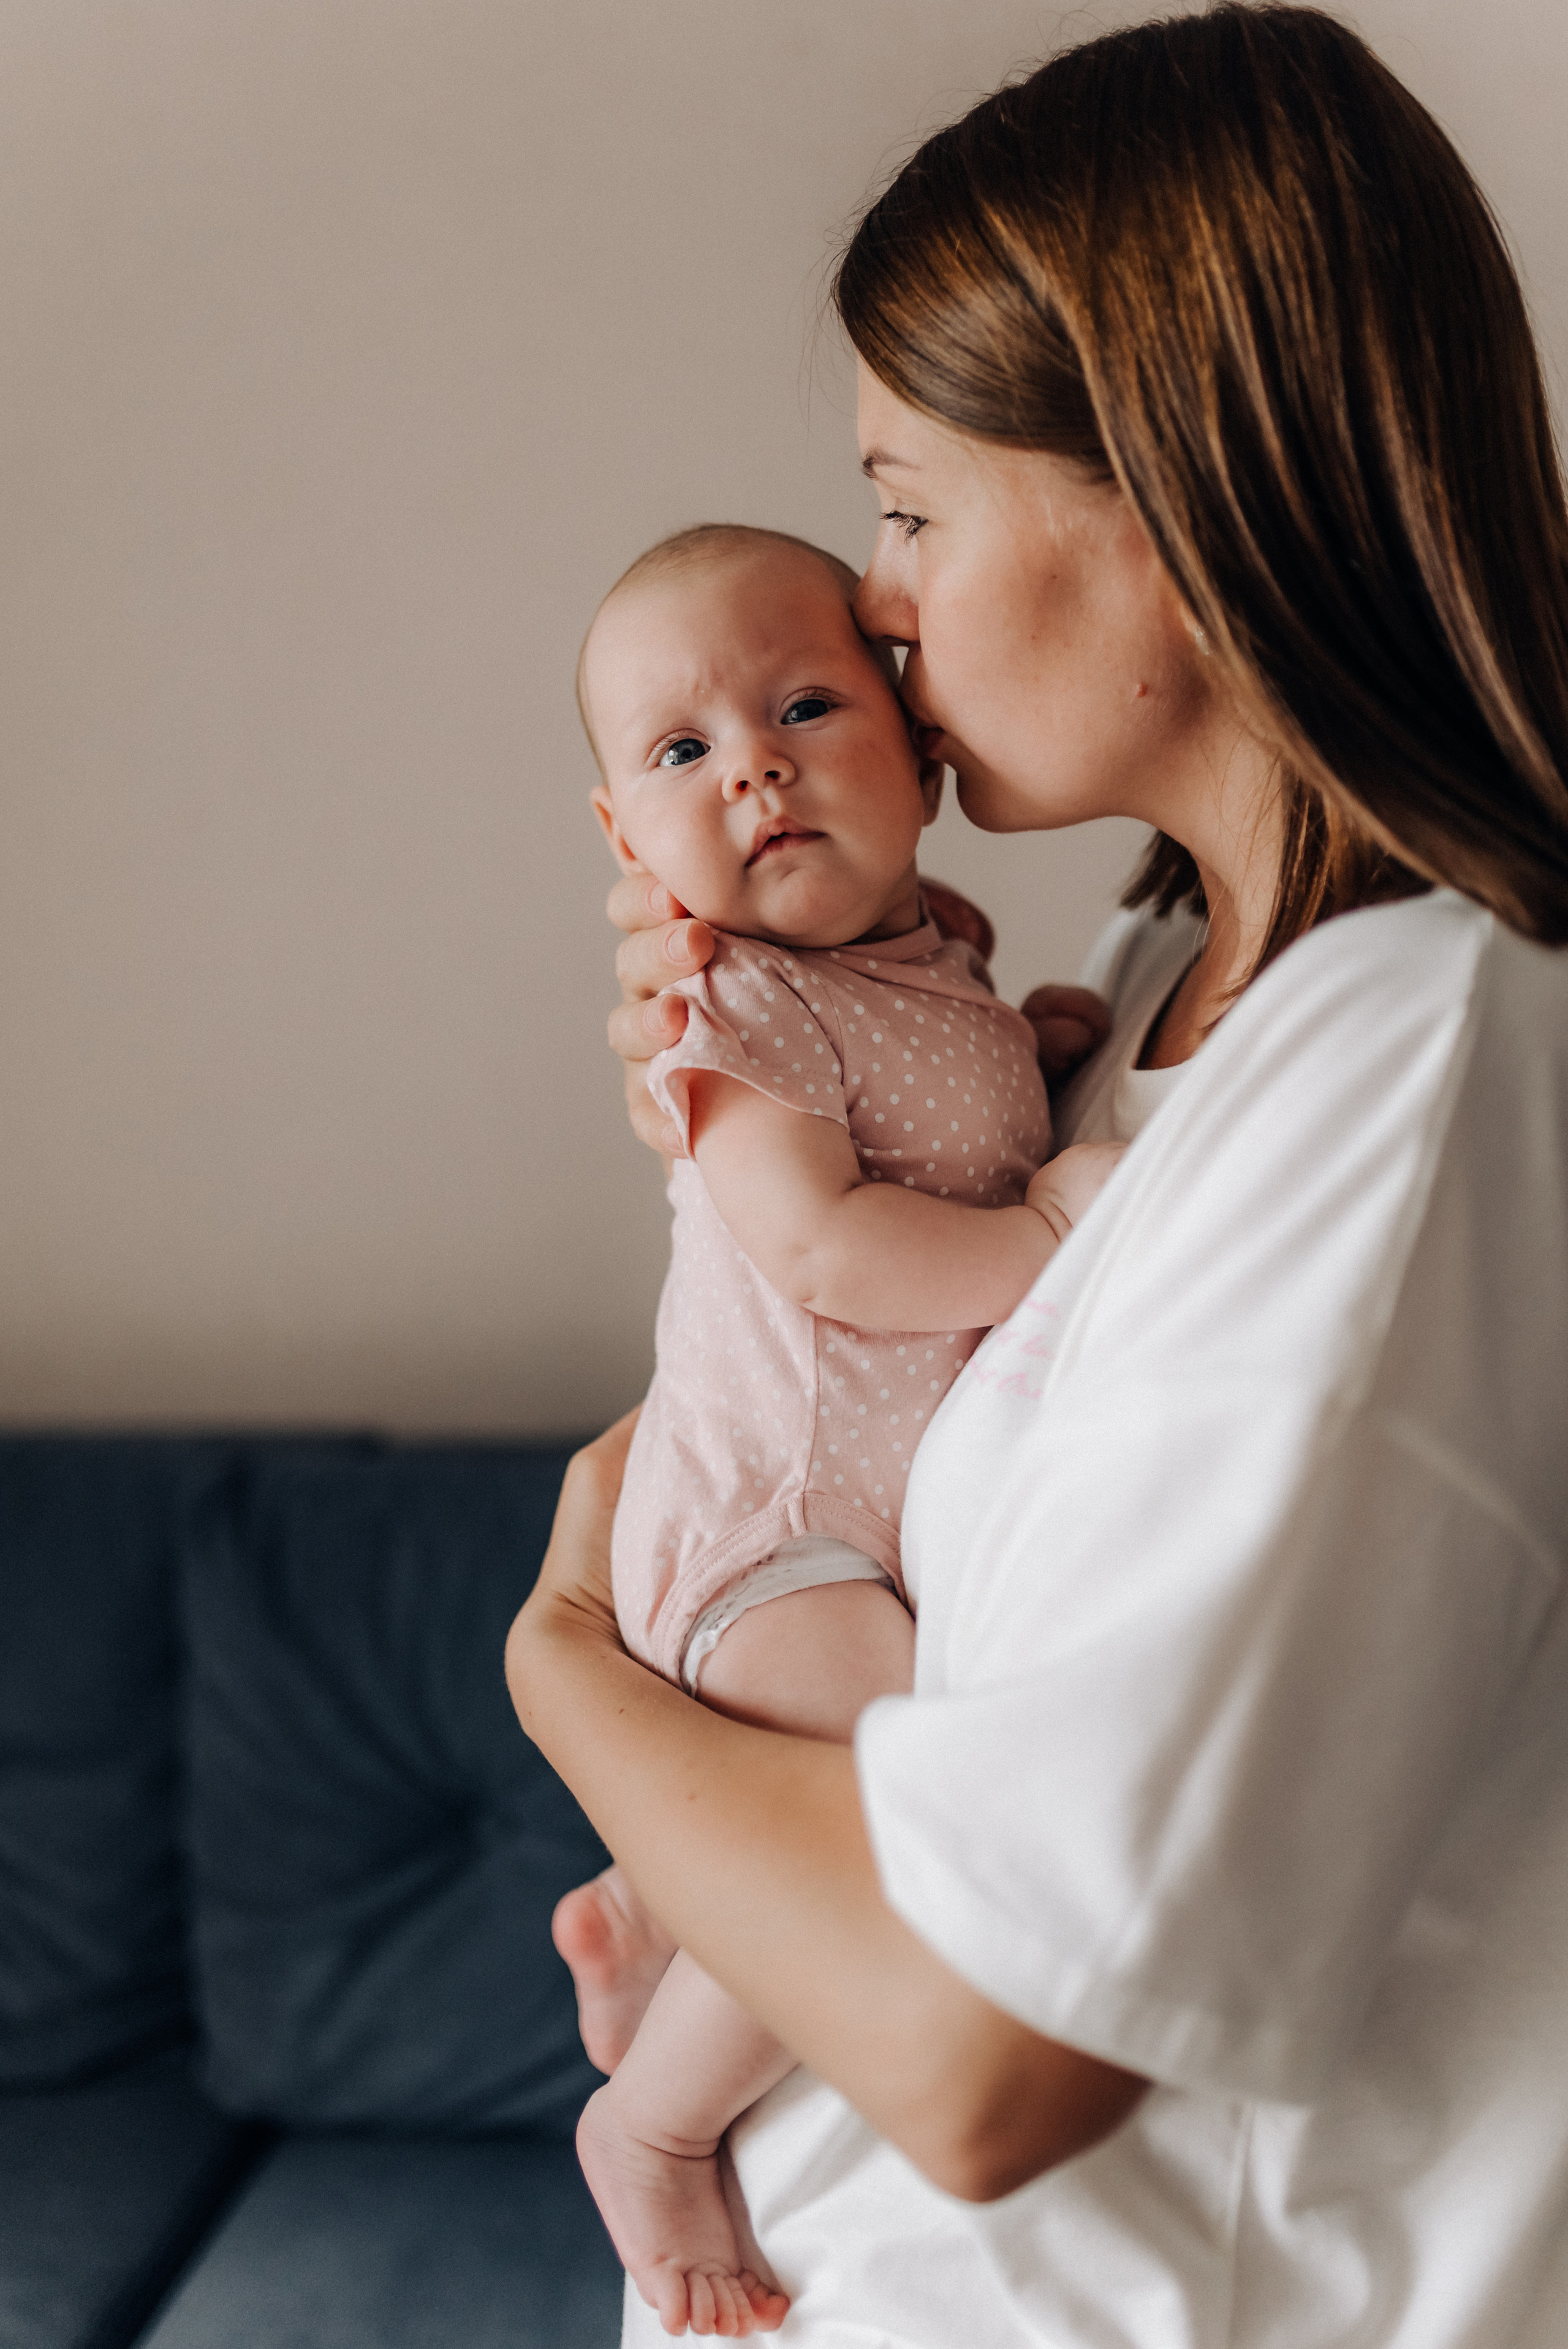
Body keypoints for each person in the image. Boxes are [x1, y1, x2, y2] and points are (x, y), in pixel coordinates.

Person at [507, 7, 1568, 2343]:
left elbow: (992, 2049)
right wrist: (769, 1036)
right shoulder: (1153, 973)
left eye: (908, 504)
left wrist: (568, 1671)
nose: (871, 604)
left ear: (1179, 504)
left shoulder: (1419, 1073)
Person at [561, 521, 1118, 2335]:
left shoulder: (930, 947)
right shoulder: (738, 1003)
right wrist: (1040, 1233)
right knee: (880, 1824)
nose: (757, 766)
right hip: (763, 1521)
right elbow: (824, 1242)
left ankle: (657, 1912)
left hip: (840, 1531)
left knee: (848, 1783)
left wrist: (1037, 1050)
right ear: (626, 840)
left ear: (916, 741)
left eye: (805, 704)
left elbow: (942, 1104)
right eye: (682, 752)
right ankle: (652, 2126)